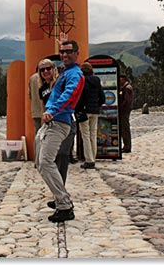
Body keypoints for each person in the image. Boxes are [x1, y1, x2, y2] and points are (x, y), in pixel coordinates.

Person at [35, 39, 85, 223]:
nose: (64, 55)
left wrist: (51, 110)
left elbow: (69, 94)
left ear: (76, 53)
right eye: (62, 52)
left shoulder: (75, 74)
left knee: (47, 162)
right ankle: (60, 198)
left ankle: (64, 205)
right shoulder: (66, 72)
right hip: (50, 123)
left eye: (68, 52)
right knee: (41, 163)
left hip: (58, 122)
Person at [38, 58, 77, 189]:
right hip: (51, 124)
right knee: (49, 160)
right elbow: (44, 106)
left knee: (62, 156)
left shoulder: (60, 83)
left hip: (65, 122)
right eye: (42, 69)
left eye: (48, 68)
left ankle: (61, 193)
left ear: (53, 69)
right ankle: (58, 193)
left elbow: (68, 97)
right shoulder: (42, 88)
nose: (45, 71)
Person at [75, 62, 105, 169]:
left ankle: (89, 160)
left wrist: (77, 109)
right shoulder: (96, 80)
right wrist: (97, 105)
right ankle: (93, 157)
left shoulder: (82, 80)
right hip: (95, 110)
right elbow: (102, 97)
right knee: (93, 135)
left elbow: (79, 97)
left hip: (84, 110)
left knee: (85, 136)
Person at [119, 74, 134, 153]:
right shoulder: (125, 87)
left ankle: (127, 146)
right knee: (124, 128)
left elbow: (126, 101)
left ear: (124, 79)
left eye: (120, 79)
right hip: (125, 111)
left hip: (124, 111)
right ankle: (126, 145)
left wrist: (120, 108)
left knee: (125, 128)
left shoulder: (127, 88)